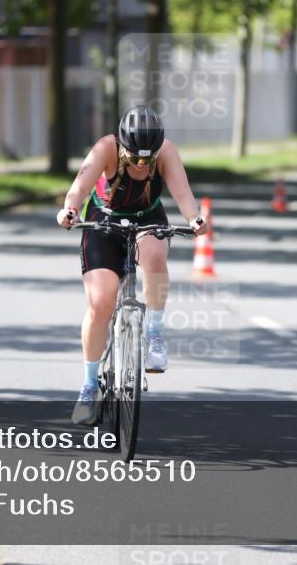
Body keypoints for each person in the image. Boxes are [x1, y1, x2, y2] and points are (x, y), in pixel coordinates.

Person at [56, 106, 207, 425]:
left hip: (147, 219)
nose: (141, 165)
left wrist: (194, 219)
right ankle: (88, 386)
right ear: (122, 145)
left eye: (146, 159)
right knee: (101, 301)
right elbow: (79, 187)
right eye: (134, 157)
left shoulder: (164, 152)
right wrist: (70, 210)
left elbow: (182, 192)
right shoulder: (104, 148)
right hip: (104, 220)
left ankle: (154, 334)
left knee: (154, 254)